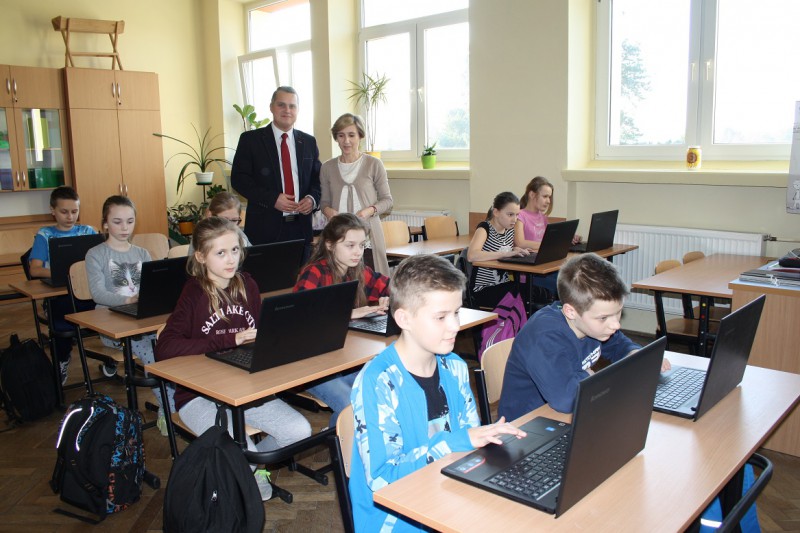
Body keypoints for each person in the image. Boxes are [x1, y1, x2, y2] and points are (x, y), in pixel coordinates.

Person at [349, 254, 526, 531]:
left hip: (447, 494)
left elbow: (468, 444)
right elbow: (383, 478)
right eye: (441, 317)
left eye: (456, 312)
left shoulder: (455, 367)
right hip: (397, 518)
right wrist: (457, 442)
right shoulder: (377, 382)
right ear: (404, 318)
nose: (455, 325)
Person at [155, 216, 312, 501]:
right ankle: (244, 473)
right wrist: (229, 339)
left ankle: (251, 469)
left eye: (235, 250)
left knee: (299, 431)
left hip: (244, 387)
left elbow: (261, 331)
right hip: (198, 396)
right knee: (240, 448)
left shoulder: (247, 284)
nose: (231, 260)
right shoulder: (194, 292)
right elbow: (165, 347)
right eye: (221, 253)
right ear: (201, 256)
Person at [498, 253, 671, 420]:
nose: (615, 325)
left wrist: (637, 356)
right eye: (604, 318)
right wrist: (588, 375)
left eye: (618, 312)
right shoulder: (545, 337)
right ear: (571, 312)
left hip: (566, 414)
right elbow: (566, 400)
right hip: (526, 426)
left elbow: (619, 345)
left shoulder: (590, 324)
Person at [85, 196, 174, 432]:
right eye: (117, 222)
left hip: (141, 320)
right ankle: (169, 409)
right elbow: (98, 294)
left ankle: (176, 402)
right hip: (111, 326)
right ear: (105, 224)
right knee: (151, 350)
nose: (125, 227)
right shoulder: (96, 254)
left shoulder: (142, 253)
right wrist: (128, 300)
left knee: (170, 345)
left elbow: (154, 288)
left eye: (130, 221)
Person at [293, 213, 389, 427]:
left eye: (361, 245)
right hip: (313, 366)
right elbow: (299, 320)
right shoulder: (314, 272)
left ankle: (343, 437)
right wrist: (348, 314)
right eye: (350, 245)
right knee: (354, 406)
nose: (357, 252)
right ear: (329, 245)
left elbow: (390, 286)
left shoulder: (358, 271)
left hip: (344, 358)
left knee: (382, 390)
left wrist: (390, 297)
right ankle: (342, 441)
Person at [230, 86, 321, 260]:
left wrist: (312, 199)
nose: (287, 110)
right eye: (281, 105)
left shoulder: (308, 142)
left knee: (301, 276)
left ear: (298, 110)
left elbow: (318, 179)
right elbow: (239, 179)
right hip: (264, 228)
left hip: (301, 229)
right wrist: (272, 199)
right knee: (265, 276)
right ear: (271, 107)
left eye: (292, 106)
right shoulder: (251, 140)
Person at [29, 186, 98, 385]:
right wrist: (67, 273)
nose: (70, 217)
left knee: (112, 310)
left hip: (88, 293)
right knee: (61, 324)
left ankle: (115, 353)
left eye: (74, 211)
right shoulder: (45, 235)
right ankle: (61, 360)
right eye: (64, 211)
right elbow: (35, 270)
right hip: (60, 296)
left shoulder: (88, 232)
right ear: (53, 210)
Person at [319, 113, 393, 275]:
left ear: (360, 136)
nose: (346, 141)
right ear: (336, 138)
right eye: (341, 135)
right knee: (340, 284)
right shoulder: (327, 167)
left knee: (371, 283)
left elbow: (387, 200)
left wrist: (369, 211)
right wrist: (328, 211)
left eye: (351, 135)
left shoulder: (374, 164)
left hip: (368, 238)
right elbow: (324, 202)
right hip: (339, 239)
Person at [514, 176, 577, 297]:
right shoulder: (520, 216)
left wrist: (567, 239)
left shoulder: (542, 217)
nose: (548, 201)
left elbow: (549, 240)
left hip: (545, 267)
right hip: (531, 273)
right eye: (545, 196)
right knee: (568, 286)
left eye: (549, 197)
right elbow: (520, 243)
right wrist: (548, 245)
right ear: (532, 194)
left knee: (576, 279)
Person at [466, 191, 529, 309]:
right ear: (496, 212)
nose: (515, 219)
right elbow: (472, 255)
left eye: (517, 215)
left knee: (532, 291)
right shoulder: (484, 228)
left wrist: (515, 249)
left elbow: (501, 247)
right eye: (510, 214)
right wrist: (506, 253)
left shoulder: (509, 230)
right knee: (523, 295)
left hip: (502, 284)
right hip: (483, 289)